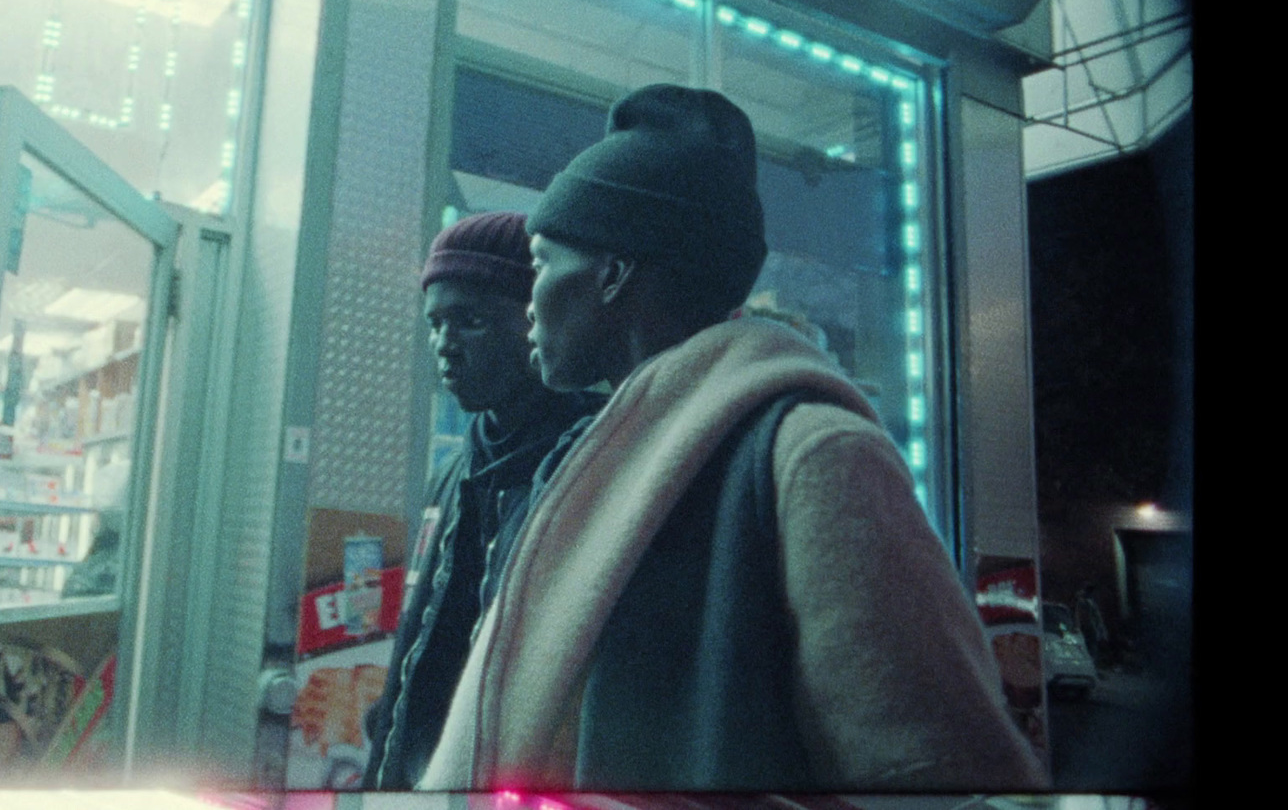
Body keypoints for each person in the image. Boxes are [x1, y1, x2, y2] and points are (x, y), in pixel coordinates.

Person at [417, 85, 1048, 791]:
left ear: (613, 275)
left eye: (542, 264)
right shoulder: (587, 461)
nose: (528, 298)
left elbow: (939, 774)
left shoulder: (815, 457)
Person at [362, 211, 606, 789]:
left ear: (539, 318)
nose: (444, 345)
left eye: (470, 320)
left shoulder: (593, 464)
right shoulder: (453, 473)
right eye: (435, 322)